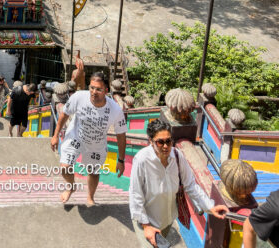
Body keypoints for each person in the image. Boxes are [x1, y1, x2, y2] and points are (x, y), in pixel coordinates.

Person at [129, 118, 228, 247]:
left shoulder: (177, 156)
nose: (165, 146)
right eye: (160, 142)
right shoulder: (142, 160)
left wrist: (210, 207)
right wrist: (146, 226)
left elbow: (191, 185)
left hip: (166, 218)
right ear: (151, 141)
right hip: (146, 219)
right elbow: (135, 194)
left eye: (169, 141)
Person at [51, 71, 127, 205]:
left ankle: (90, 197)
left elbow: (121, 135)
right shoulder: (79, 97)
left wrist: (120, 160)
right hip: (76, 137)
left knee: (93, 172)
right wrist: (55, 135)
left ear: (106, 90)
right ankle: (71, 186)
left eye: (98, 89)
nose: (94, 92)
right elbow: (64, 114)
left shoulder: (115, 110)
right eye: (91, 87)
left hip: (96, 144)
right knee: (65, 167)